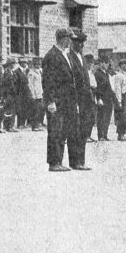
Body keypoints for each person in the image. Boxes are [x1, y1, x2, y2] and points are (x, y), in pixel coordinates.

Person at [43, 28, 81, 171]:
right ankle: (54, 163)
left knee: (67, 131)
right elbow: (48, 81)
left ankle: (65, 161)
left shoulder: (65, 55)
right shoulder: (52, 56)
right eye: (69, 39)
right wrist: (50, 101)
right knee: (55, 132)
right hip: (57, 101)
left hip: (68, 101)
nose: (71, 42)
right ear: (63, 38)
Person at [111, 59, 126, 141]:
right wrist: (119, 101)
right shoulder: (119, 76)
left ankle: (123, 133)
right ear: (121, 65)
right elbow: (118, 89)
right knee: (122, 116)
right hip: (123, 97)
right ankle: (120, 134)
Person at [94, 55, 114, 141]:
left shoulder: (106, 74)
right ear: (101, 63)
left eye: (107, 63)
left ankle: (105, 134)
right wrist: (99, 98)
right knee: (101, 117)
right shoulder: (98, 74)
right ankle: (101, 135)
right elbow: (98, 87)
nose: (106, 65)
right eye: (105, 63)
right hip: (102, 98)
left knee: (107, 117)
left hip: (108, 98)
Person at [26, 58, 45, 131]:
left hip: (40, 93)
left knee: (39, 110)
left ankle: (38, 124)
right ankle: (34, 126)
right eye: (37, 64)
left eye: (39, 64)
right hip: (35, 95)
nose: (39, 65)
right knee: (35, 110)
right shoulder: (31, 73)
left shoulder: (40, 72)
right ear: (34, 65)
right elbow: (30, 85)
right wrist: (32, 95)